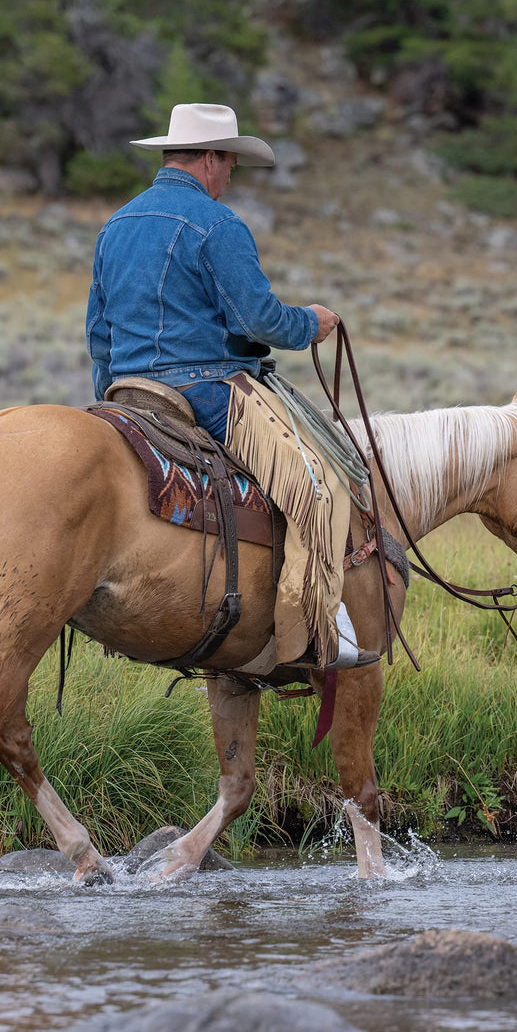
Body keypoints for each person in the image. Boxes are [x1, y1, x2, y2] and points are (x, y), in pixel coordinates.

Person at [86, 103, 378, 672]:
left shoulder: (115, 225)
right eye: (231, 163)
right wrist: (311, 323)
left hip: (125, 394)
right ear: (212, 158)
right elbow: (258, 321)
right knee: (318, 483)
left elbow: (99, 335)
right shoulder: (218, 226)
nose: (231, 176)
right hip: (211, 391)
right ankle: (316, 629)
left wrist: (110, 398)